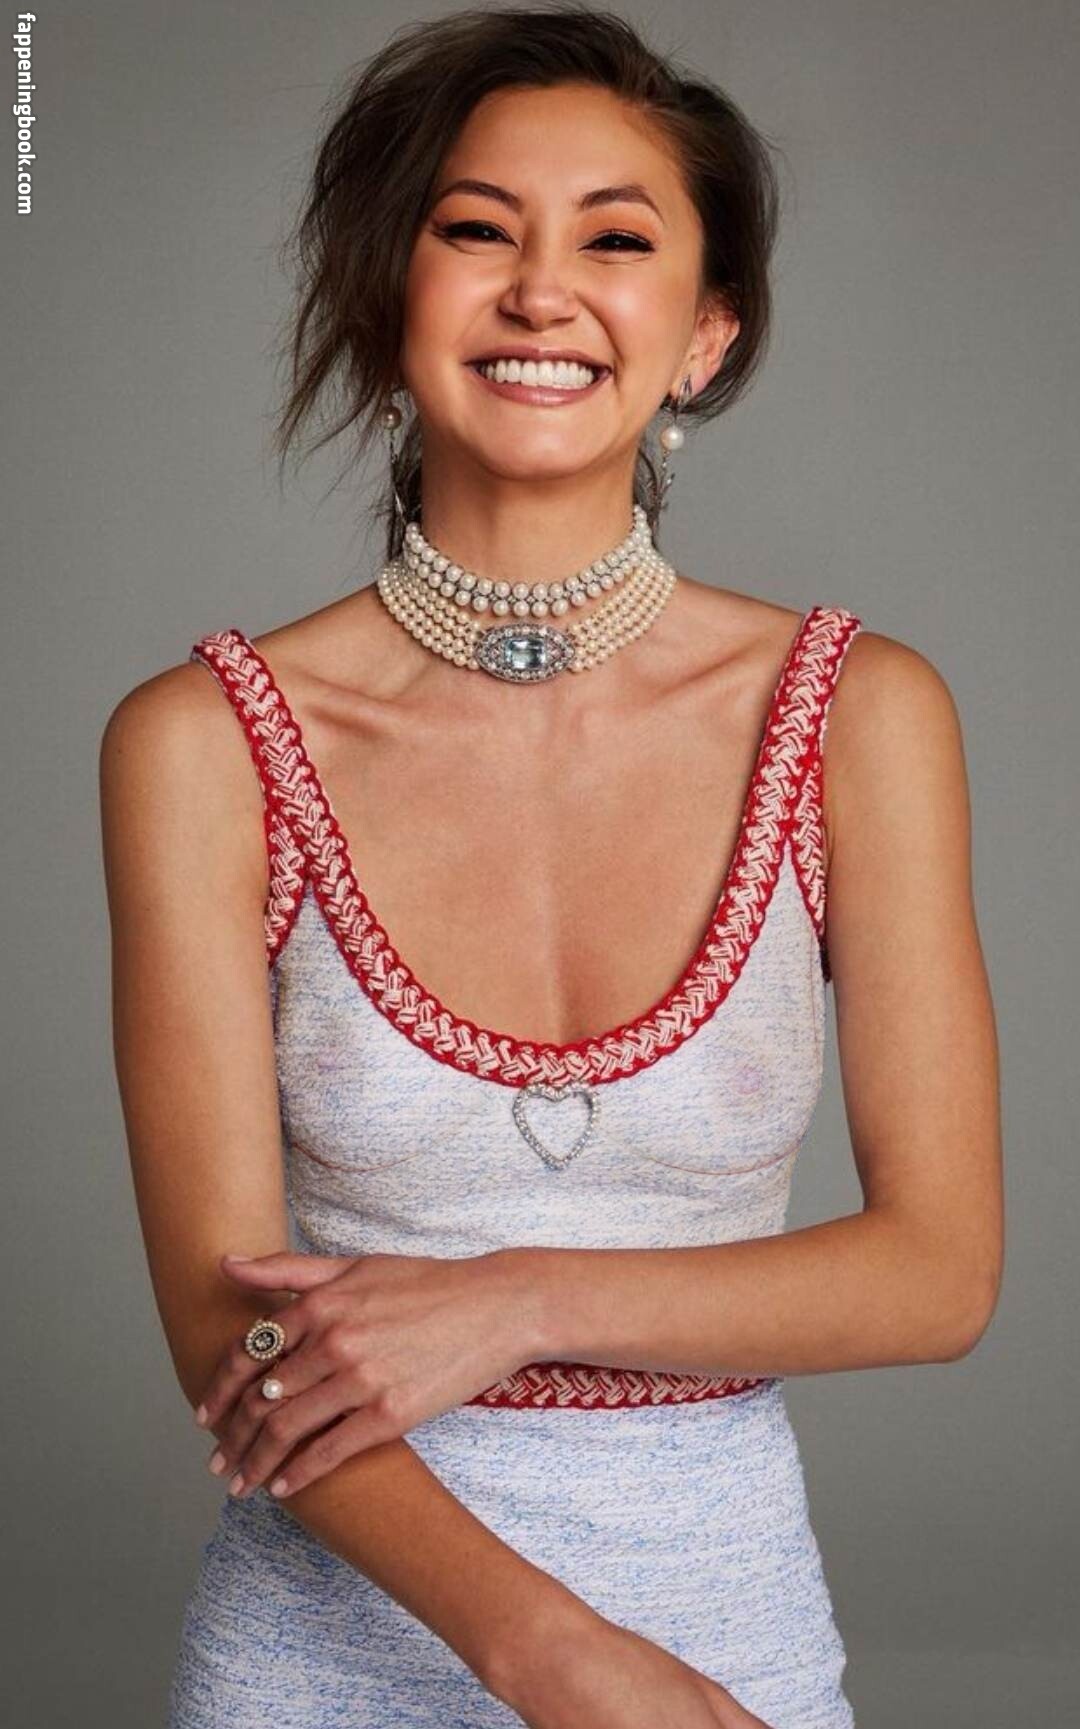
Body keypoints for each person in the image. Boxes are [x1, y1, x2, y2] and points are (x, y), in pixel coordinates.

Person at [99, 6, 1003, 1726]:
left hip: (727, 1631)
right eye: (474, 229)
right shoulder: (202, 743)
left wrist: (512, 1300)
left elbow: (940, 1269)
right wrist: (555, 1654)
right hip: (323, 1659)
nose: (540, 291)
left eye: (616, 240)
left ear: (705, 334)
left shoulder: (858, 716)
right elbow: (233, 1332)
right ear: (390, 300)